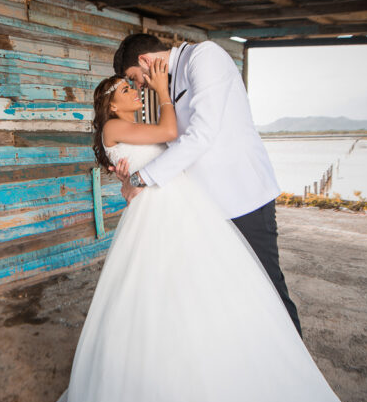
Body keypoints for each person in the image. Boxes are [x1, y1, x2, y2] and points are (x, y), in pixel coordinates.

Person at [42, 64, 367, 402]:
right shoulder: (118, 125)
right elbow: (172, 129)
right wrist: (160, 87)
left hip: (175, 210)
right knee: (166, 299)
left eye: (133, 84)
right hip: (162, 220)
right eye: (126, 88)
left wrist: (130, 181)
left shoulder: (127, 129)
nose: (133, 90)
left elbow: (138, 181)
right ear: (111, 104)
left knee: (191, 297)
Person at [111, 33, 301, 336]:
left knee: (269, 286)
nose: (139, 86)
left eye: (135, 78)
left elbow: (201, 135)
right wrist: (132, 171)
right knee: (233, 291)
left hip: (244, 197)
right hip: (209, 208)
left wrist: (141, 180)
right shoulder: (167, 83)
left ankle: (296, 367)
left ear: (145, 61)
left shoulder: (204, 57)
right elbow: (173, 145)